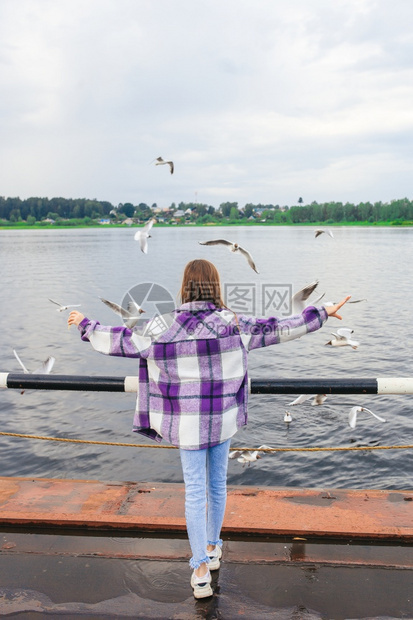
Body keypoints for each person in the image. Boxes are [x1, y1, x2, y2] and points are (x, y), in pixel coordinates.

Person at [68, 259, 350, 599]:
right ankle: (213, 548)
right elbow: (279, 327)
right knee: (217, 485)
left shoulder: (162, 326)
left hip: (185, 424)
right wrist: (322, 312)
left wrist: (86, 324)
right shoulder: (233, 322)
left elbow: (122, 341)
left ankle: (200, 569)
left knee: (194, 492)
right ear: (215, 286)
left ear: (185, 287)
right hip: (222, 420)